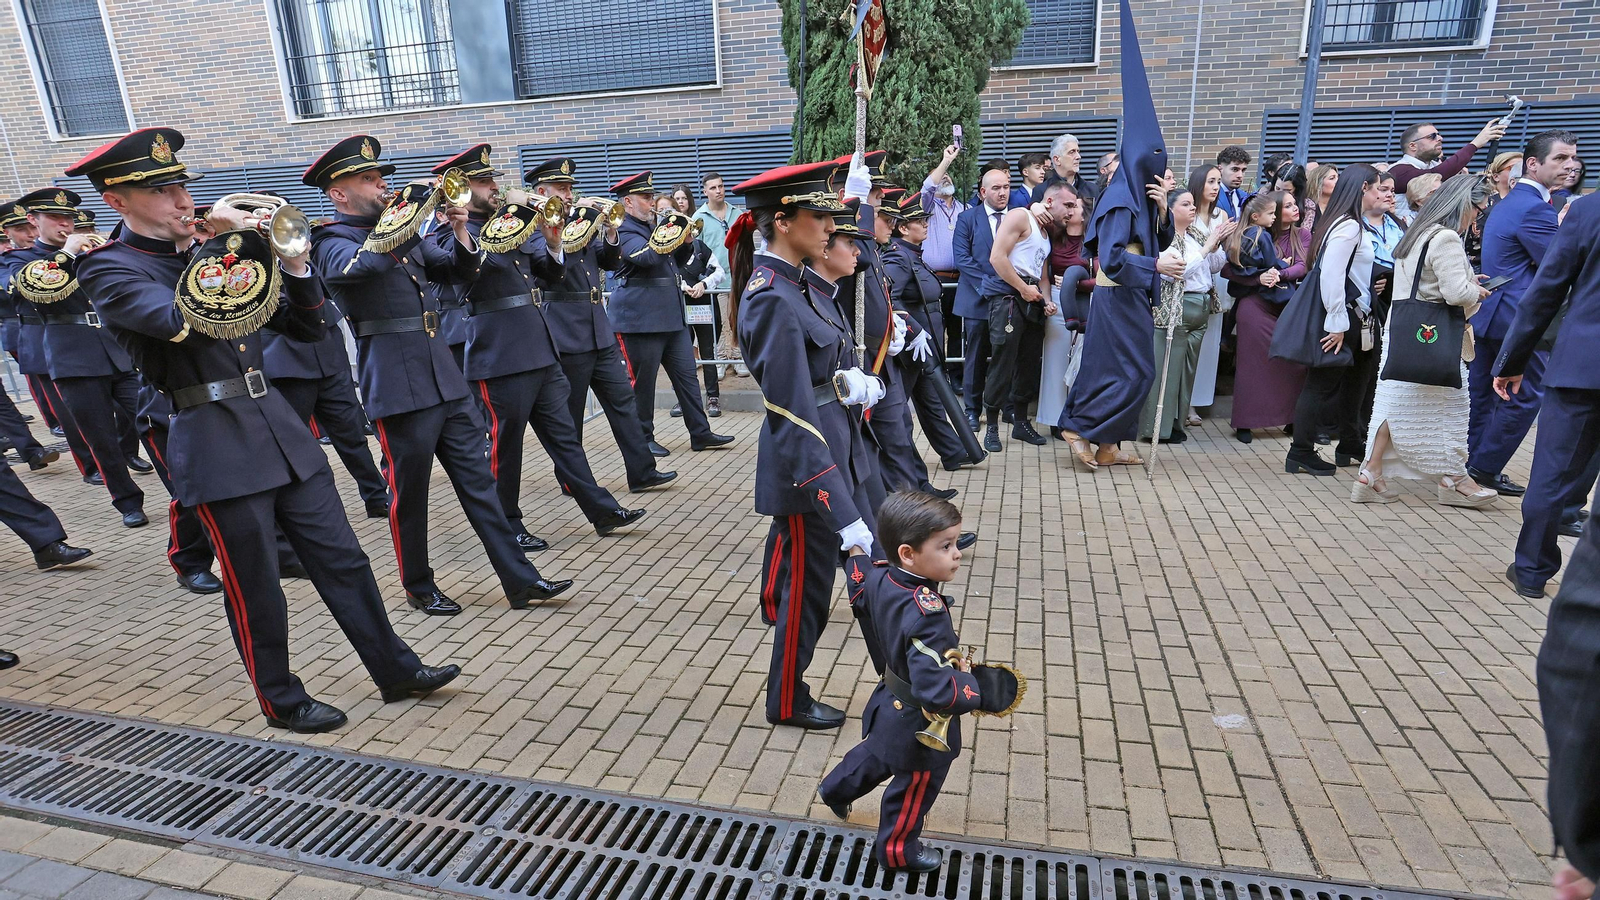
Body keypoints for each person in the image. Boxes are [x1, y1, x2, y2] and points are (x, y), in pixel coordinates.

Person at [74, 127, 461, 733]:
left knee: (346, 561)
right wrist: (224, 243)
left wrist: (296, 264)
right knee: (256, 586)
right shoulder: (110, 269)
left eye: (181, 185)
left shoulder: (216, 251)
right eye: (162, 190)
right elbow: (193, 319)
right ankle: (280, 698)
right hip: (213, 439)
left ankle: (395, 668)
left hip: (280, 427)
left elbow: (306, 329)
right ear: (116, 201)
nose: (182, 200)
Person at [306, 134, 574, 617]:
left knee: (479, 485)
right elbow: (358, 268)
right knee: (409, 495)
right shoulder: (331, 239)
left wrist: (460, 227)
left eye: (380, 176)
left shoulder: (406, 234)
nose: (380, 185)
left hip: (444, 378)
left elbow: (457, 270)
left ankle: (519, 578)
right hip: (396, 382)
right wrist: (406, 218)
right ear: (339, 194)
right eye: (368, 179)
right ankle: (418, 583)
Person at [727, 159, 879, 730]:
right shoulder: (769, 296)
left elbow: (830, 349)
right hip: (808, 467)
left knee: (871, 572)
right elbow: (790, 412)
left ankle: (905, 681)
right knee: (807, 595)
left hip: (842, 448)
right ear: (784, 223)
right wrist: (837, 507)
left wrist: (851, 383)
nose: (831, 227)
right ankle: (786, 698)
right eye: (820, 216)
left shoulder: (798, 283)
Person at [436, 144, 647, 546]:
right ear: (459, 187)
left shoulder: (512, 221)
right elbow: (462, 276)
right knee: (506, 446)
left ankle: (600, 509)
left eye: (493, 179)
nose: (494, 187)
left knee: (564, 437)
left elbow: (550, 274)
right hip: (498, 353)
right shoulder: (449, 232)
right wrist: (464, 227)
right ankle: (508, 525)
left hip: (538, 345)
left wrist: (552, 241)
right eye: (484, 182)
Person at [817, 492, 985, 874]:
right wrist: (976, 689)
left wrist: (856, 552)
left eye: (955, 543)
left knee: (876, 753)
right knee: (915, 785)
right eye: (945, 546)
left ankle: (834, 790)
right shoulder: (928, 614)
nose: (956, 553)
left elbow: (858, 589)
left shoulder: (881, 574)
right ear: (908, 553)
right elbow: (936, 689)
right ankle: (897, 852)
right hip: (919, 725)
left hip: (888, 701)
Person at [1058, 0, 1176, 473]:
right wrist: (1156, 266)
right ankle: (1078, 426)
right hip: (1116, 296)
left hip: (1133, 298)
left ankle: (1107, 445)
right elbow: (1112, 258)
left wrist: (1164, 212)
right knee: (1123, 371)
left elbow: (1157, 244)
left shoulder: (1142, 201)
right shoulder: (1117, 201)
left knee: (1127, 371)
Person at [525, 158, 677, 493]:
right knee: (571, 412)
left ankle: (642, 471)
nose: (569, 194)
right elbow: (551, 269)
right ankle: (572, 480)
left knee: (623, 401)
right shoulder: (534, 228)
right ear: (541, 192)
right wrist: (561, 230)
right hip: (566, 328)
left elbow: (609, 261)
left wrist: (609, 230)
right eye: (562, 189)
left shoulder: (581, 221)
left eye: (569, 188)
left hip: (597, 326)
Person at [8, 188, 150, 528]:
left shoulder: (92, 252)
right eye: (56, 218)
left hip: (115, 349)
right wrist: (66, 257)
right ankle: (127, 500)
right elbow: (30, 292)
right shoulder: (18, 260)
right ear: (33, 221)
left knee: (149, 418)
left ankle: (178, 485)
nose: (65, 224)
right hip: (73, 356)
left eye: (69, 218)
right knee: (99, 436)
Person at [1353, 174, 1496, 508]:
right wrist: (1476, 290)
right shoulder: (1445, 237)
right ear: (1463, 204)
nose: (1477, 217)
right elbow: (1455, 293)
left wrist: (1466, 278)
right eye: (1477, 210)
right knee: (1451, 407)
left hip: (1405, 332)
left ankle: (1371, 472)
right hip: (1436, 336)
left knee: (1394, 403)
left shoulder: (1416, 232)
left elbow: (1422, 281)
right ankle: (1455, 479)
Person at [1495, 189, 1600, 598]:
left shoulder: (1588, 211)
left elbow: (1545, 292)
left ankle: (1532, 570)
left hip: (1581, 364)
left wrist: (1512, 361)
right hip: (1580, 365)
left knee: (1552, 472)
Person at [1469, 130, 1581, 496]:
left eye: (1573, 158)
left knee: (1485, 393)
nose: (1570, 165)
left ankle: (1473, 464)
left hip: (1493, 311)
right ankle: (1483, 468)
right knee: (1524, 395)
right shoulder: (1535, 208)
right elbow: (1559, 267)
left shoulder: (1510, 202)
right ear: (1533, 164)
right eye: (1560, 158)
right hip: (1518, 317)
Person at [609, 170, 735, 456]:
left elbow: (673, 261)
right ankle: (643, 438)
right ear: (628, 202)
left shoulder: (654, 224)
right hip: (640, 321)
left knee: (688, 377)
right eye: (645, 197)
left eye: (652, 195)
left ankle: (700, 433)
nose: (651, 201)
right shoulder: (623, 229)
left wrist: (687, 241)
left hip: (671, 316)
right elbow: (648, 257)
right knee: (643, 385)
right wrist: (672, 232)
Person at [1286, 164, 1383, 476]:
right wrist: (1338, 323)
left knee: (1358, 382)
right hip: (1346, 317)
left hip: (1357, 314)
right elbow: (1331, 275)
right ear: (1364, 188)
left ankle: (1350, 443)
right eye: (1377, 187)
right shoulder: (1348, 226)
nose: (1380, 194)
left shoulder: (1348, 223)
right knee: (1322, 383)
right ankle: (1301, 450)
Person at [881, 190, 970, 478]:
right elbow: (890, 301)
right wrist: (914, 331)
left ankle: (954, 453)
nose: (927, 224)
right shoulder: (898, 258)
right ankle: (899, 463)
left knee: (932, 399)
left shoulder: (914, 255)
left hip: (926, 343)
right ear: (904, 228)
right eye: (920, 221)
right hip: (911, 347)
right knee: (898, 409)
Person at [983, 182, 1070, 449]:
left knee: (1029, 363)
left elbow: (1043, 275)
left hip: (1032, 300)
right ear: (1050, 201)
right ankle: (993, 427)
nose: (1071, 211)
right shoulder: (1020, 216)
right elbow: (997, 258)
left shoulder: (1046, 231)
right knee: (1002, 361)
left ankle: (1021, 423)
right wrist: (1023, 289)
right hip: (1010, 297)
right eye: (1067, 204)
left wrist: (1047, 301)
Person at [1142, 187, 1232, 442]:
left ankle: (1177, 424)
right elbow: (1178, 271)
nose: (1193, 208)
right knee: (1167, 370)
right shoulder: (1164, 238)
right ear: (1171, 210)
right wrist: (1207, 248)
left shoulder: (1195, 233)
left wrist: (1215, 245)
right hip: (1176, 306)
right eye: (1185, 204)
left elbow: (1214, 266)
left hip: (1201, 306)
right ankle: (1157, 428)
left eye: (1193, 204)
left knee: (1187, 371)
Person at [1227, 191, 1309, 442]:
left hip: (1286, 306)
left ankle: (1292, 417)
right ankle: (1245, 422)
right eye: (1287, 206)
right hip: (1255, 305)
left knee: (1293, 362)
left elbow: (1304, 265)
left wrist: (1279, 274)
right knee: (1251, 365)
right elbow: (1229, 268)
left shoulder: (1302, 234)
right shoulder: (1255, 232)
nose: (1295, 209)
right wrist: (1258, 277)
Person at [952, 167, 1009, 429]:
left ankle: (1002, 407)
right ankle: (972, 410)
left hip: (1011, 297)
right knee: (975, 357)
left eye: (1006, 187)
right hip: (978, 298)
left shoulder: (1018, 218)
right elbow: (963, 258)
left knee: (1006, 355)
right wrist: (988, 286)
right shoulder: (968, 218)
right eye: (996, 188)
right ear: (983, 191)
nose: (1002, 193)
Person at [659, 192, 724, 416]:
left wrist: (704, 284)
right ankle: (684, 399)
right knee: (682, 356)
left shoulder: (700, 247)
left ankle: (713, 398)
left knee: (707, 352)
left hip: (704, 306)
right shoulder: (664, 250)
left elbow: (720, 271)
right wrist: (683, 286)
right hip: (679, 307)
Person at [1038, 183, 1093, 436]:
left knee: (1083, 362)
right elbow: (1044, 275)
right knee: (1055, 359)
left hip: (1086, 301)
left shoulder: (1093, 239)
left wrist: (1078, 284)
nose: (1070, 211)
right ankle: (1053, 418)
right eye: (1068, 206)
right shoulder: (1052, 233)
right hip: (1057, 300)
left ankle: (1078, 417)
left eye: (1075, 207)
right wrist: (1047, 300)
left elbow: (1102, 275)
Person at [1185, 165, 1232, 420]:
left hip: (1214, 285)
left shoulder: (1221, 216)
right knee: (1188, 349)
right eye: (1210, 182)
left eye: (1217, 182)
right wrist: (1210, 246)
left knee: (1208, 347)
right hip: (1190, 285)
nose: (1215, 187)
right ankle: (1184, 403)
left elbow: (1220, 259)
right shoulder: (1186, 214)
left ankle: (1198, 401)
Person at [1389, 118, 1508, 218]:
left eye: (1439, 134)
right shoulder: (1397, 170)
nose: (1440, 138)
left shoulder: (1434, 166)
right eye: (1432, 136)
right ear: (1413, 146)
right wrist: (1475, 144)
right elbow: (1434, 175)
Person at [919, 145, 966, 376]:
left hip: (960, 281)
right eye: (940, 175)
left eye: (948, 174)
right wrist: (945, 161)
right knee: (936, 329)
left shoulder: (965, 209)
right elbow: (927, 188)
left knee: (958, 330)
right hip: (935, 280)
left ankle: (956, 376)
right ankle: (935, 376)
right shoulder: (926, 207)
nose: (945, 176)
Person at [691, 171, 743, 375]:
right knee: (719, 323)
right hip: (715, 280)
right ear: (705, 192)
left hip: (738, 278)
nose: (718, 190)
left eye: (721, 186)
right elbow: (696, 250)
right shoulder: (698, 217)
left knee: (737, 319)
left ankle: (738, 358)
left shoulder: (737, 213)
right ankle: (721, 360)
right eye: (713, 187)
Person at [1466, 151, 1521, 268]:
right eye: (1513, 167)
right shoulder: (1484, 204)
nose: (1520, 171)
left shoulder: (1529, 201)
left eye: (1523, 167)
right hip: (1481, 267)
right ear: (1496, 176)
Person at [1033, 134, 1092, 204]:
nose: (1078, 157)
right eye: (1072, 152)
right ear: (1057, 160)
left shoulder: (1092, 189)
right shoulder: (1041, 190)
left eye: (1078, 151)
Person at [1216, 146, 1251, 219]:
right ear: (1220, 169)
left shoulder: (1245, 196)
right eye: (1235, 169)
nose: (1240, 175)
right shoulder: (1210, 195)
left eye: (1243, 170)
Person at [1302, 164, 1338, 234]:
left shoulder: (1340, 207)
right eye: (1332, 178)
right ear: (1318, 183)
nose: (1338, 181)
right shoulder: (1307, 207)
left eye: (1338, 177)